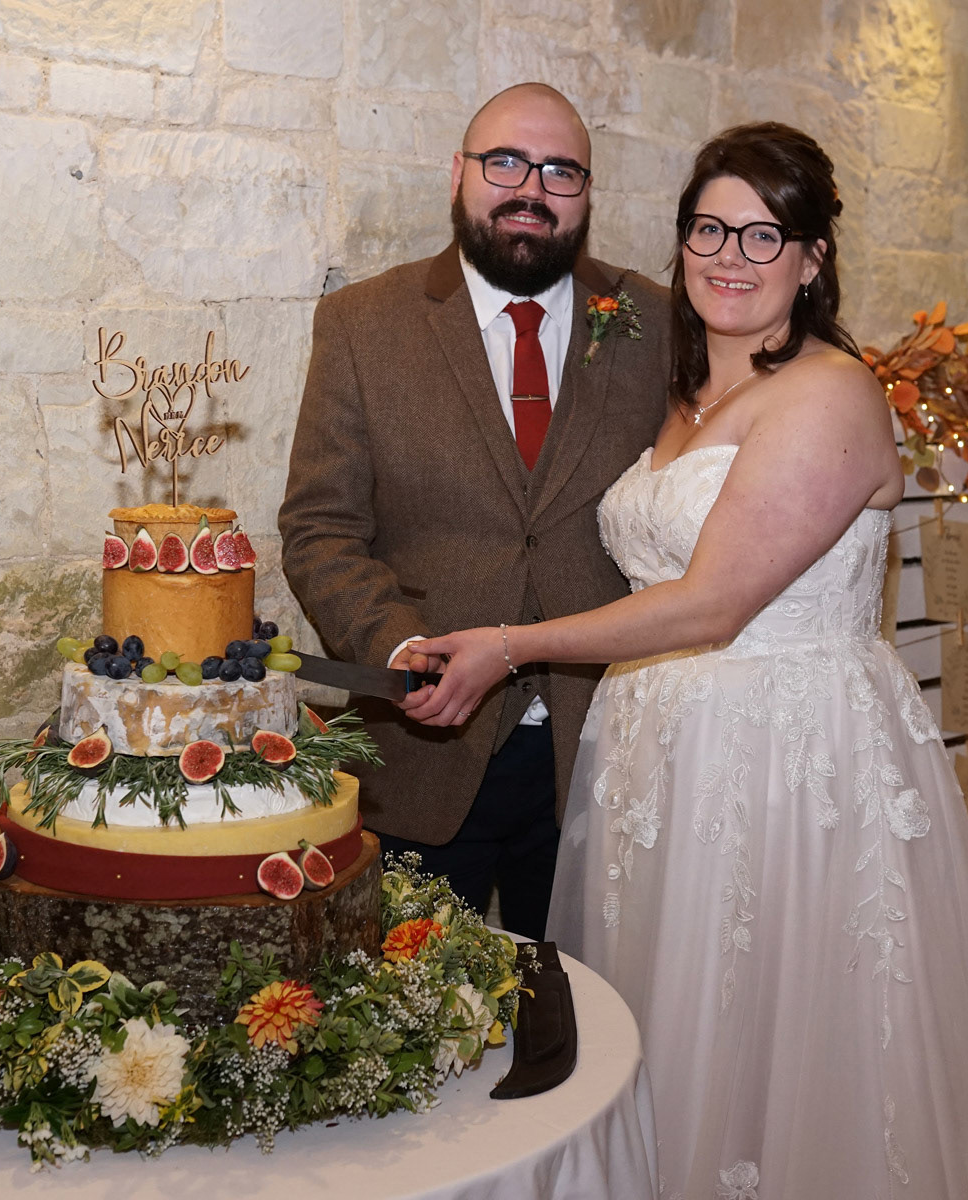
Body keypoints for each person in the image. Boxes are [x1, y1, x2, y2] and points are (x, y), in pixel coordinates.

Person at [406, 123, 968, 1199]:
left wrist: (512, 647)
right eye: (710, 229)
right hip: (659, 763)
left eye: (765, 236)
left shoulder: (830, 393)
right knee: (670, 1027)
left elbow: (714, 603)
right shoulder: (679, 395)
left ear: (812, 259)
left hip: (786, 764)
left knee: (786, 1043)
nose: (731, 257)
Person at [278, 83, 670, 941]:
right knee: (416, 1009)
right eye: (505, 162)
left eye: (561, 171)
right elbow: (320, 528)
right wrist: (399, 649)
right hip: (426, 758)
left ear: (588, 193)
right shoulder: (361, 324)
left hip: (604, 754)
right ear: (457, 173)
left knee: (586, 1004)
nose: (531, 188)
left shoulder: (655, 322)